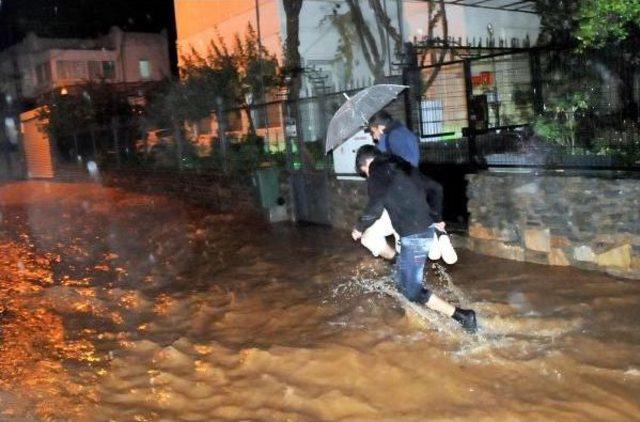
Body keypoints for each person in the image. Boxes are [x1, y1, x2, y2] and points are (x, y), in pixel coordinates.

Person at [351, 145, 477, 333]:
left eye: (365, 173)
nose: (368, 178)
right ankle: (437, 236)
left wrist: (359, 228)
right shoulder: (403, 167)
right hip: (423, 228)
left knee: (411, 291)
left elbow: (376, 207)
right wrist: (437, 219)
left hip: (415, 236)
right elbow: (436, 188)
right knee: (404, 283)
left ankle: (463, 316)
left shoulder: (377, 171)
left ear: (366, 165)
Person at [361, 110, 457, 265]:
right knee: (423, 220)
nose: (373, 137)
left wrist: (379, 150)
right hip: (417, 182)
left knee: (404, 234)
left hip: (401, 191)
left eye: (373, 132)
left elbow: (385, 168)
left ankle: (412, 262)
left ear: (380, 127)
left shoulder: (387, 139)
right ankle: (440, 235)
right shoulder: (405, 132)